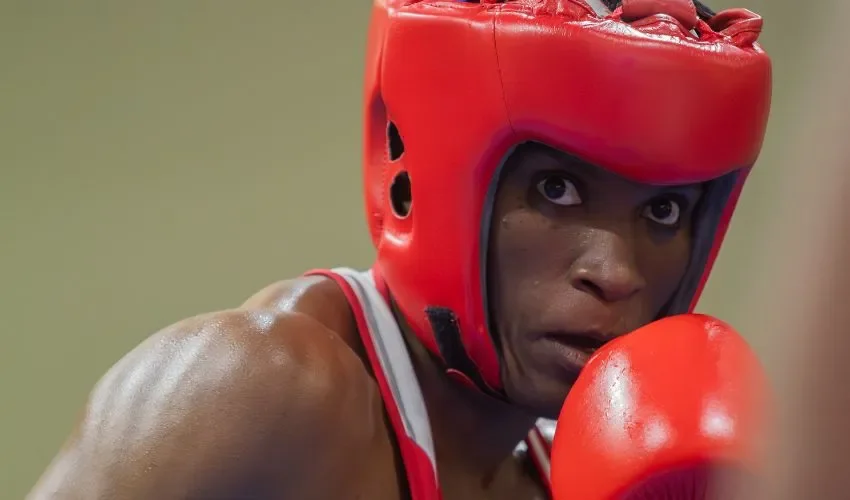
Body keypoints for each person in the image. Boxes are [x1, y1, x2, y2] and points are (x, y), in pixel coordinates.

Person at [28, 0, 772, 498]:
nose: (615, 272)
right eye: (556, 191)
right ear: (428, 182)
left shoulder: (575, 472)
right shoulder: (263, 393)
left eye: (664, 210)